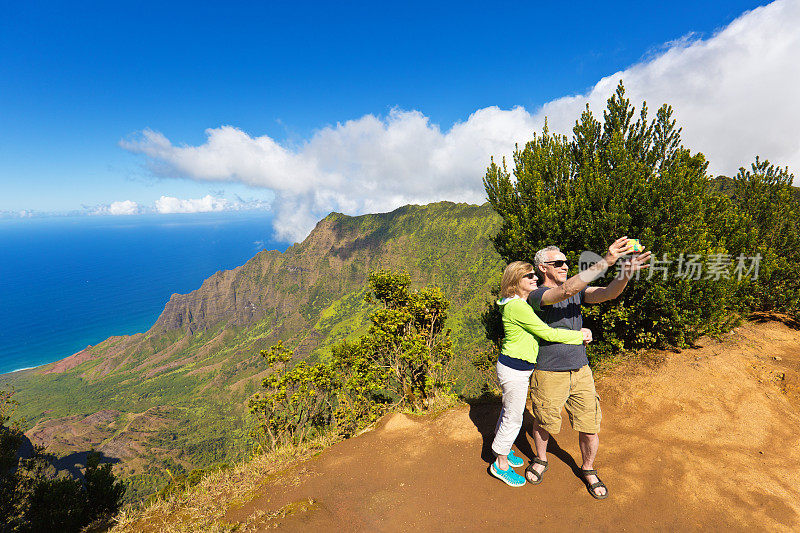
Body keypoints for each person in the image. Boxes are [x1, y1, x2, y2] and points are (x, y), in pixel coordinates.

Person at [525, 237, 651, 498]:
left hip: (581, 370)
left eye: (566, 262)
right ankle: (541, 458)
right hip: (548, 371)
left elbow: (608, 293)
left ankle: (588, 468)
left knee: (590, 425)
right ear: (542, 268)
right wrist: (607, 261)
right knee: (544, 421)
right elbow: (565, 291)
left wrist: (624, 275)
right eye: (557, 263)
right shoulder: (537, 296)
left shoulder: (577, 292)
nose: (564, 266)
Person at [489, 261, 592, 487]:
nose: (535, 279)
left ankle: (500, 449)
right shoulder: (518, 307)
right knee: (514, 417)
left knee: (509, 411)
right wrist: (579, 336)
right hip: (515, 369)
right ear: (516, 282)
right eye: (529, 277)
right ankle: (500, 463)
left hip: (515, 367)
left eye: (535, 275)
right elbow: (546, 332)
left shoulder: (516, 303)